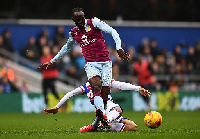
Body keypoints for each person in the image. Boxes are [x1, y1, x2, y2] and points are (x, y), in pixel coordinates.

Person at [38, 7, 129, 127]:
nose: (80, 21)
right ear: (73, 20)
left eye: (82, 18)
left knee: (105, 94)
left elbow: (113, 31)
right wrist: (52, 60)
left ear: (84, 16)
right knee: (96, 86)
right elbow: (66, 48)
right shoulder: (74, 33)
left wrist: (118, 48)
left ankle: (97, 122)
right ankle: (103, 116)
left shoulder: (94, 22)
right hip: (91, 64)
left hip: (105, 62)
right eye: (77, 19)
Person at [44, 79, 151, 132]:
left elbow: (121, 85)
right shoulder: (86, 86)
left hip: (109, 111)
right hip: (106, 109)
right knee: (119, 109)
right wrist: (57, 107)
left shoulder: (104, 81)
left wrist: (138, 88)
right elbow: (70, 93)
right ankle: (105, 122)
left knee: (133, 127)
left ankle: (100, 127)